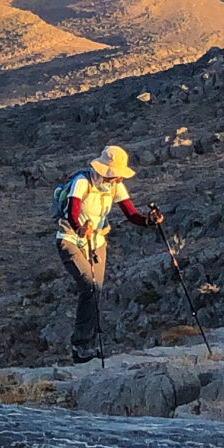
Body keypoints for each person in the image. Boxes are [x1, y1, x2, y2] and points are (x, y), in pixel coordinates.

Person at [54, 144, 165, 361]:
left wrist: (149, 221)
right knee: (90, 286)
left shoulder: (115, 187)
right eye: (115, 174)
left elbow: (131, 215)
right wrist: (79, 228)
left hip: (97, 243)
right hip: (70, 240)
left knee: (95, 291)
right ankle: (81, 346)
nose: (118, 179)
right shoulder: (82, 182)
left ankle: (87, 346)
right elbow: (72, 211)